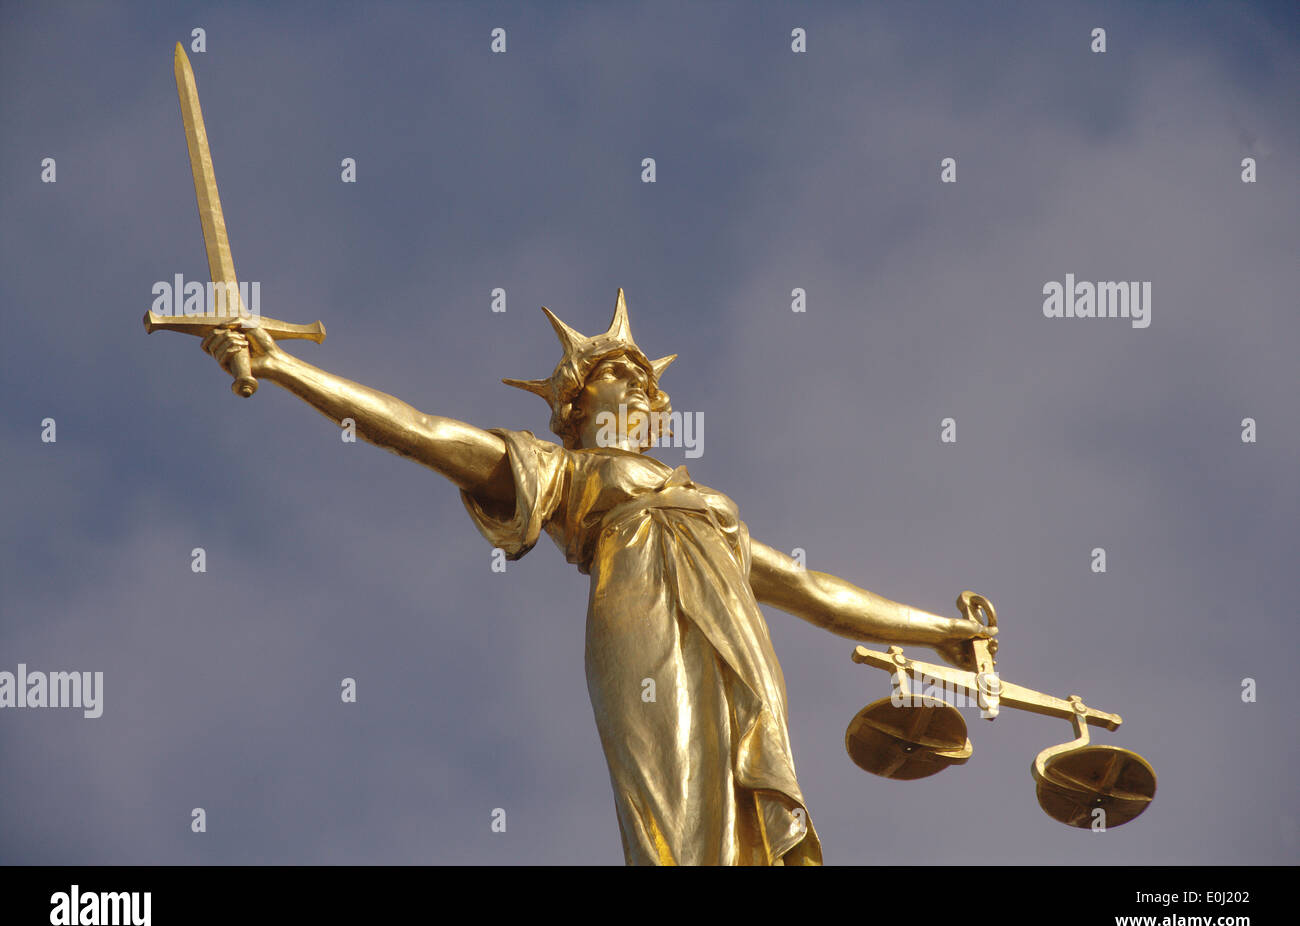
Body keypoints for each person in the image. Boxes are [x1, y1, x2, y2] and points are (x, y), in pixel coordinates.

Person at [201, 288, 994, 865]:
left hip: (737, 654)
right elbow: (421, 433)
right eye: (628, 376)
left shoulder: (707, 506)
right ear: (577, 404)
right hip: (640, 629)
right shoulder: (564, 471)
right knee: (671, 797)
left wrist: (943, 631)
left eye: (653, 385)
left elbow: (818, 595)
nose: (650, 392)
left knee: (735, 807)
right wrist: (283, 367)